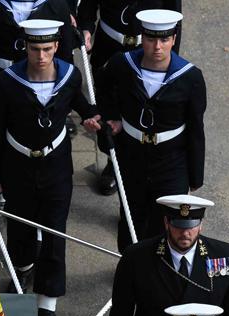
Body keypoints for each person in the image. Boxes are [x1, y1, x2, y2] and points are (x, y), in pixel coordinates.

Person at [0, 20, 101, 316]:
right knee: (20, 227)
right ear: (26, 47)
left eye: (47, 49)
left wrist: (92, 114)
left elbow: (76, 101)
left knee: (54, 233)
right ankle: (21, 269)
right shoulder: (7, 84)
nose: (41, 56)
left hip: (56, 167)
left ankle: (47, 310)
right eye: (35, 49)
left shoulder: (68, 75)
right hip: (17, 164)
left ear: (55, 48)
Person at [95, 9, 205, 252]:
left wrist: (195, 175)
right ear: (142, 38)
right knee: (130, 215)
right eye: (151, 39)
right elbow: (102, 89)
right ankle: (128, 266)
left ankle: (156, 270)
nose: (157, 46)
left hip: (171, 159)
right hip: (132, 154)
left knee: (165, 219)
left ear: (174, 40)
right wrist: (112, 117)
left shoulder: (190, 77)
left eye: (164, 40)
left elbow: (196, 128)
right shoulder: (122, 65)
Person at [77, 0, 180, 195]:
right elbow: (88, 6)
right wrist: (86, 28)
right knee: (108, 106)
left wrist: (171, 65)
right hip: (109, 48)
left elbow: (174, 19)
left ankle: (138, 163)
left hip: (149, 52)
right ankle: (112, 160)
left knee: (140, 107)